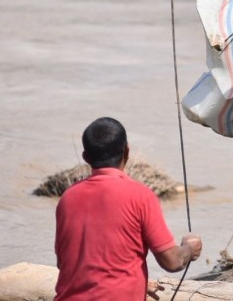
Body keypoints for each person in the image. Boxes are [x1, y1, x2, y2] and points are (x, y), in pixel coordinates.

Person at [54, 117, 202, 301]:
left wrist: (137, 282)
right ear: (127, 151)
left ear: (86, 158)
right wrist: (189, 248)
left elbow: (65, 263)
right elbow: (172, 261)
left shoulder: (68, 197)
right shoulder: (140, 195)